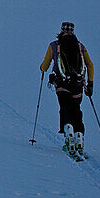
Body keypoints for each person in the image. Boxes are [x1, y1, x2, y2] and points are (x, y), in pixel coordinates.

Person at [39, 21, 95, 154]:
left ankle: (68, 135)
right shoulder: (80, 46)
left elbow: (45, 65)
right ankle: (79, 138)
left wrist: (42, 68)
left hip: (62, 84)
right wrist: (90, 84)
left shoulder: (54, 46)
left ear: (61, 30)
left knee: (65, 109)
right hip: (78, 85)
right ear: (73, 31)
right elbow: (90, 65)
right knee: (76, 111)